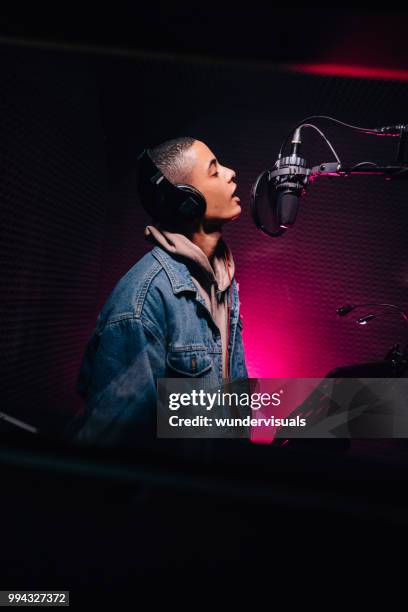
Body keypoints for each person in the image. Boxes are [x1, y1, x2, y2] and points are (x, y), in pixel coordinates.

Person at [66, 137, 249, 446]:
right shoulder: (144, 301)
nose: (232, 173)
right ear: (186, 200)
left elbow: (219, 412)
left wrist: (334, 413)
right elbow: (111, 442)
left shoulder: (220, 283)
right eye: (214, 171)